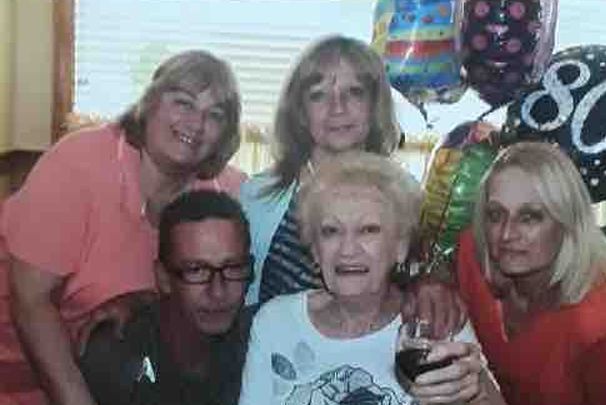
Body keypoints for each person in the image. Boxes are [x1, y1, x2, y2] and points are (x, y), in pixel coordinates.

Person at [0, 50, 245, 405]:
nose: (196, 122)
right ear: (149, 103)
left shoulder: (226, 194)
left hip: (90, 369)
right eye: (183, 103)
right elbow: (30, 300)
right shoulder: (79, 164)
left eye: (215, 114)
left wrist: (142, 299)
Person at [238, 35, 462, 336]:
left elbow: (424, 279)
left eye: (354, 93)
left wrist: (431, 281)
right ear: (300, 112)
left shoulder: (408, 197)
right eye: (318, 95)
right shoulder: (257, 196)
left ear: (375, 105)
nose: (338, 108)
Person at [239, 152, 505, 405]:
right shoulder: (276, 323)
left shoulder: (434, 320)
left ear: (400, 246)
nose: (348, 249)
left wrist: (476, 390)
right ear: (315, 250)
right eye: (331, 231)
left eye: (368, 230)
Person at [455, 141, 606, 405]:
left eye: (529, 217)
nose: (507, 234)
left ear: (568, 222)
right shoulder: (474, 253)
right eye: (496, 215)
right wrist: (432, 280)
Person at [79, 190, 256, 405]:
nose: (218, 291)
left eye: (233, 268)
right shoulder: (116, 358)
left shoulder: (263, 344)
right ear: (163, 278)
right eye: (196, 270)